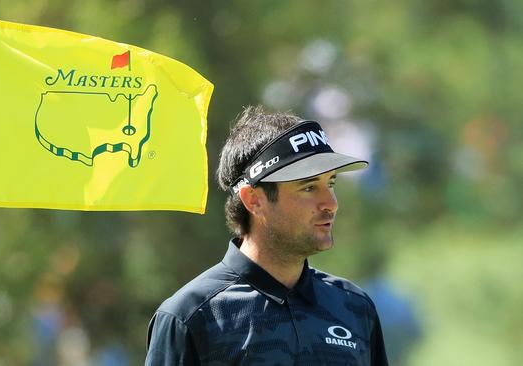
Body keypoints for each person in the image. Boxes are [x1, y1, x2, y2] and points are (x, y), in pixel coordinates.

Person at [145, 106, 389, 365]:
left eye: (330, 183)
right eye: (308, 187)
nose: (330, 203)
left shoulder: (355, 307)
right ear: (253, 199)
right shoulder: (189, 317)